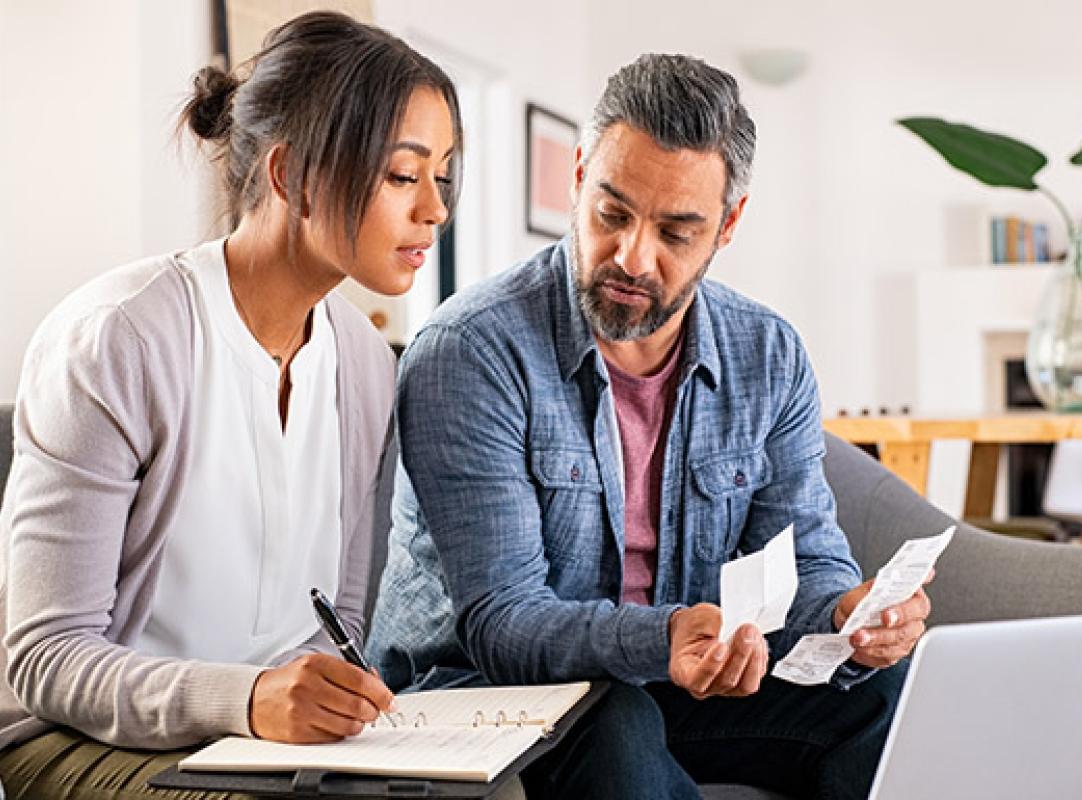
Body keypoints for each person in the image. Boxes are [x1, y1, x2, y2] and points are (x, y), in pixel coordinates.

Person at [367, 54, 932, 800]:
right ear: (577, 179)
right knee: (620, 718)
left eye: (675, 231)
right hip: (480, 693)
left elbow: (804, 553)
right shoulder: (472, 352)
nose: (632, 256)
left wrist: (846, 613)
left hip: (670, 676)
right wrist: (665, 641)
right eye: (612, 214)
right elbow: (502, 623)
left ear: (727, 225)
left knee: (884, 701)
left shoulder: (768, 354)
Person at [0, 11, 461, 798]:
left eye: (442, 176)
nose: (434, 211)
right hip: (77, 742)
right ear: (292, 176)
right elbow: (46, 658)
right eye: (401, 175)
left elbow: (337, 620)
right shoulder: (118, 339)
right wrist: (246, 700)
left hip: (264, 749)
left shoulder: (364, 365)